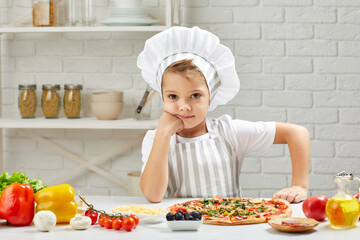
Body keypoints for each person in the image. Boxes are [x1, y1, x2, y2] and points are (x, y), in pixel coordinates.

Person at [137, 26, 310, 203]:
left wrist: (300, 186)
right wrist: (163, 133)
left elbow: (297, 133)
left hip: (229, 225)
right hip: (179, 227)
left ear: (210, 97)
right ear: (162, 97)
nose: (184, 107)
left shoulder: (228, 132)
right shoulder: (154, 139)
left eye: (195, 96)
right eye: (173, 96)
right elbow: (153, 195)